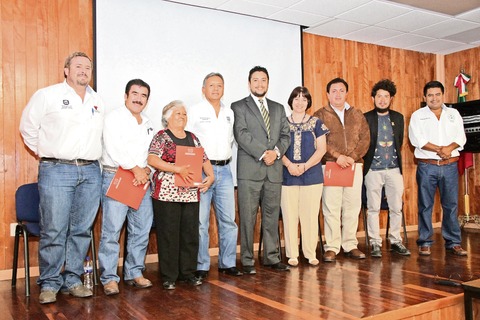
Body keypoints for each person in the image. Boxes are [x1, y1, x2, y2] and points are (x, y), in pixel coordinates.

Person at [19, 52, 105, 304]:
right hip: (57, 170)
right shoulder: (47, 95)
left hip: (90, 172)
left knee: (80, 230)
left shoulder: (97, 100)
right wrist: (47, 152)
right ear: (66, 70)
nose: (83, 70)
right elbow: (28, 128)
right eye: (78, 66)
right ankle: (49, 282)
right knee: (54, 229)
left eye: (87, 67)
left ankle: (73, 279)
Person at [148, 100, 215, 290]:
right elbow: (152, 158)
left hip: (190, 193)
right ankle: (169, 276)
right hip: (167, 194)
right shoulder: (161, 137)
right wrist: (176, 169)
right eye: (178, 113)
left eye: (184, 114)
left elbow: (204, 159)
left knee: (189, 233)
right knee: (169, 234)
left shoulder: (192, 137)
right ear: (167, 118)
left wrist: (210, 176)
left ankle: (188, 273)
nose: (182, 116)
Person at [231, 66, 291, 274]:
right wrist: (263, 153)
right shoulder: (239, 106)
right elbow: (241, 134)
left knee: (271, 216)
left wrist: (275, 153)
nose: (259, 84)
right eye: (255, 80)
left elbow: (285, 135)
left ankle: (271, 257)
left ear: (268, 83)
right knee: (247, 218)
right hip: (250, 172)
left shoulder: (278, 108)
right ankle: (247, 260)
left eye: (263, 80)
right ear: (249, 83)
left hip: (274, 171)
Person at [98, 79, 154, 295]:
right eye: (135, 94)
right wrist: (135, 169)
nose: (138, 98)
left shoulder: (148, 122)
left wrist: (147, 170)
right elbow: (114, 147)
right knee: (112, 231)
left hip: (142, 181)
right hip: (117, 176)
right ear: (125, 96)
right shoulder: (113, 118)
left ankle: (134, 272)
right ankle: (110, 278)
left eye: (143, 96)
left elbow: (152, 152)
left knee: (141, 229)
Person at [186, 73, 242, 280]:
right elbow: (189, 141)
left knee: (228, 220)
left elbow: (232, 141)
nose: (216, 89)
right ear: (203, 89)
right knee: (200, 222)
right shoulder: (194, 111)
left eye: (220, 85)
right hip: (201, 172)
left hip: (225, 171)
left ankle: (227, 263)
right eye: (211, 85)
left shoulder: (230, 113)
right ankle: (201, 264)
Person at [313, 77, 370, 262]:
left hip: (354, 166)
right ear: (328, 94)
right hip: (331, 165)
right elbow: (319, 141)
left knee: (352, 207)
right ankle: (332, 247)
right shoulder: (320, 115)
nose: (338, 94)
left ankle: (350, 244)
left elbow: (365, 139)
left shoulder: (357, 114)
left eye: (341, 90)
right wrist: (338, 156)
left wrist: (351, 158)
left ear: (347, 93)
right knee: (331, 207)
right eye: (334, 91)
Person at [408, 80, 467, 257]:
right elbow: (416, 140)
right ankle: (425, 241)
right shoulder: (417, 115)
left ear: (443, 95)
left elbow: (461, 137)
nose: (434, 98)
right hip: (427, 166)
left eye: (437, 94)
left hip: (450, 166)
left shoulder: (454, 113)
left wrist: (448, 149)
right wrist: (439, 150)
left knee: (451, 205)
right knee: (425, 205)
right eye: (430, 95)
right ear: (424, 97)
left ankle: (453, 242)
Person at [281, 86, 329, 266]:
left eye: (304, 99)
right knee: (290, 214)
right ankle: (292, 254)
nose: (300, 102)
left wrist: (305, 166)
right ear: (291, 101)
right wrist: (289, 165)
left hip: (312, 175)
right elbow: (277, 149)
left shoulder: (317, 123)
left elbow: (322, 149)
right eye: (296, 98)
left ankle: (310, 253)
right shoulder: (282, 123)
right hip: (288, 175)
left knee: (309, 215)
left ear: (308, 102)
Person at [363, 79, 410, 258]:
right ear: (373, 98)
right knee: (373, 208)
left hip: (394, 169)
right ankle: (375, 242)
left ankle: (395, 240)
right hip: (373, 170)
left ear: (391, 99)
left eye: (386, 97)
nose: (382, 100)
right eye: (379, 96)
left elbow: (399, 141)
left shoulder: (398, 118)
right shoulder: (366, 117)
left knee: (396, 207)